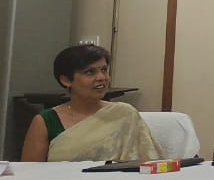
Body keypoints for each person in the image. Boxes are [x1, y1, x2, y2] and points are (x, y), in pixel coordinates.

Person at [20, 44, 163, 162]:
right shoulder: (46, 121)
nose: (101, 77)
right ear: (66, 80)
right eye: (90, 72)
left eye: (104, 70)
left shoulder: (124, 114)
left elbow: (150, 165)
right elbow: (30, 174)